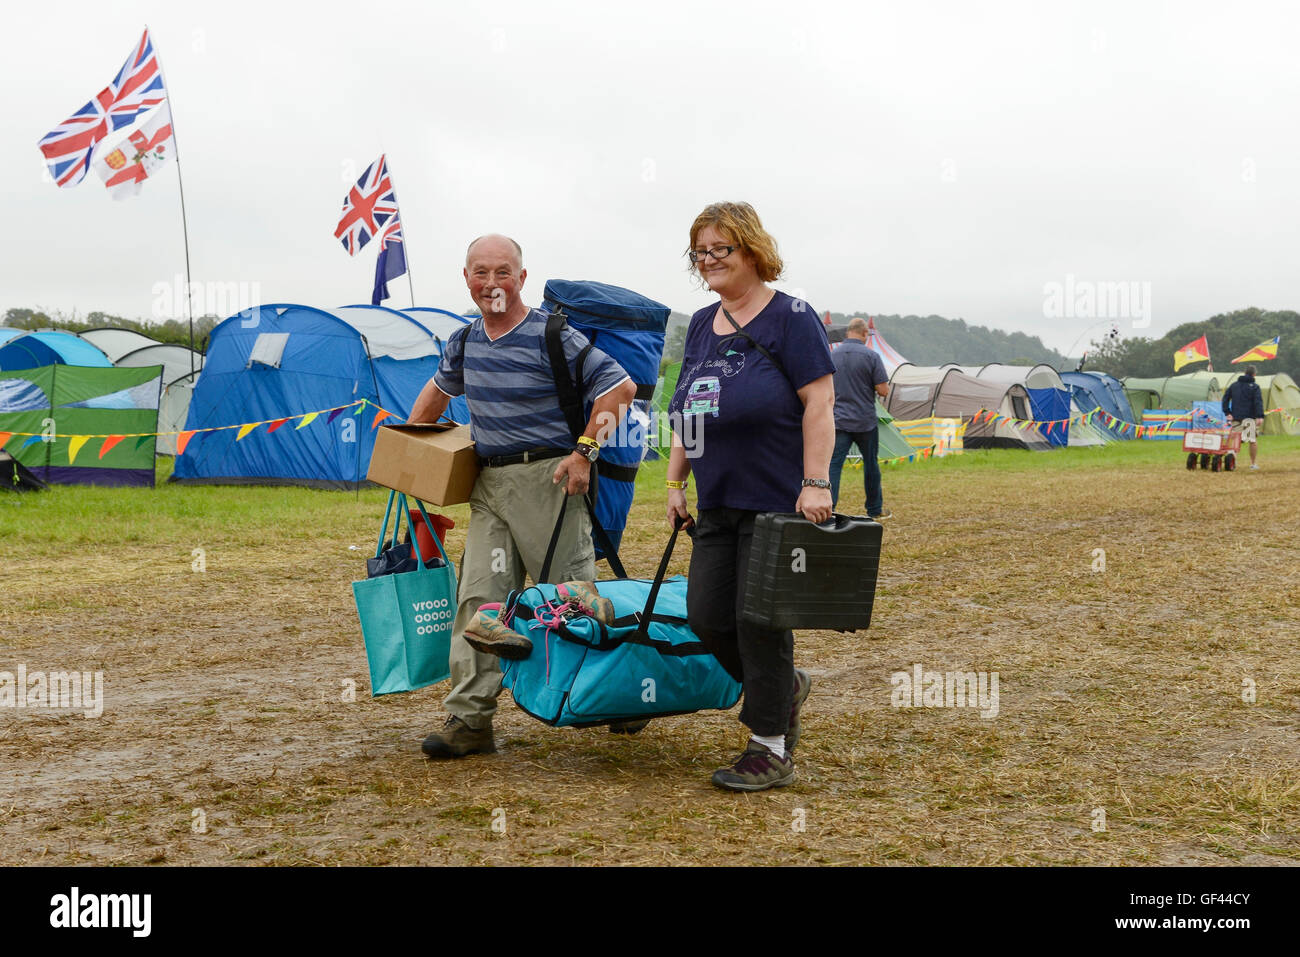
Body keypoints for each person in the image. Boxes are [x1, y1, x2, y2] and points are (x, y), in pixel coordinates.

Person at [408, 235, 637, 758]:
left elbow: (618, 389)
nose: (492, 284)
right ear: (465, 277)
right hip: (488, 484)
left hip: (549, 480)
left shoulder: (553, 334)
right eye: (481, 273)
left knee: (569, 597)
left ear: (522, 277)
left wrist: (584, 452)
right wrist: (405, 443)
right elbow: (438, 391)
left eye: (503, 272)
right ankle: (470, 720)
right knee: (479, 602)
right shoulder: (464, 341)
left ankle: (619, 697)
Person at [665, 202, 836, 792]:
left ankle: (769, 747)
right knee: (707, 616)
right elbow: (686, 407)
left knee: (758, 621)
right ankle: (783, 687)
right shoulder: (699, 324)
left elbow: (820, 401)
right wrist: (675, 481)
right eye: (700, 252)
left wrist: (816, 481)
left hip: (776, 496)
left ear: (752, 252)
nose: (709, 260)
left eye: (721, 249)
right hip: (715, 497)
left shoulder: (792, 316)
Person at [828, 317, 891, 518]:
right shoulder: (871, 356)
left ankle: (829, 508)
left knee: (833, 466)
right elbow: (883, 390)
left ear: (848, 332)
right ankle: (874, 509)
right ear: (865, 333)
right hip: (865, 421)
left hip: (838, 420)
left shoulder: (832, 355)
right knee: (871, 465)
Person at [1222, 365, 1265, 470]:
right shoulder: (1255, 387)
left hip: (1236, 417)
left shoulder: (1234, 385)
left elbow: (1225, 399)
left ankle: (1232, 462)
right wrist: (1260, 416)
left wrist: (1227, 412)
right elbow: (1258, 402)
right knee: (1252, 441)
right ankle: (1253, 464)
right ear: (1254, 374)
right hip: (1250, 418)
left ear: (1244, 372)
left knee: (1235, 439)